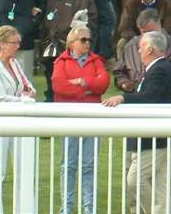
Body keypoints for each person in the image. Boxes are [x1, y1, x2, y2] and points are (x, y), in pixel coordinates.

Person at [101, 29, 171, 214]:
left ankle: (155, 211)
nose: (138, 51)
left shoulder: (160, 69)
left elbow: (150, 97)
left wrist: (123, 98)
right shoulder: (162, 68)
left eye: (141, 47)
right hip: (159, 136)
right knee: (159, 184)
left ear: (150, 50)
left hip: (154, 136)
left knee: (136, 179)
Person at [51, 26, 109, 214]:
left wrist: (81, 82)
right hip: (69, 119)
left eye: (89, 40)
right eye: (83, 40)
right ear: (72, 42)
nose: (87, 43)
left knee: (88, 165)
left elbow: (104, 83)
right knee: (68, 165)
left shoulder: (96, 61)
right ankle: (66, 208)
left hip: (92, 119)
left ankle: (88, 208)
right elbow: (59, 85)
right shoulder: (61, 61)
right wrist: (87, 88)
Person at [0, 25, 38, 214]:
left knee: (23, 167)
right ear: (2, 44)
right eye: (14, 43)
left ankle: (23, 209)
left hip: (17, 122)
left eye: (18, 43)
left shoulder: (15, 64)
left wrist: (26, 95)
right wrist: (23, 98)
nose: (17, 46)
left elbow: (30, 88)